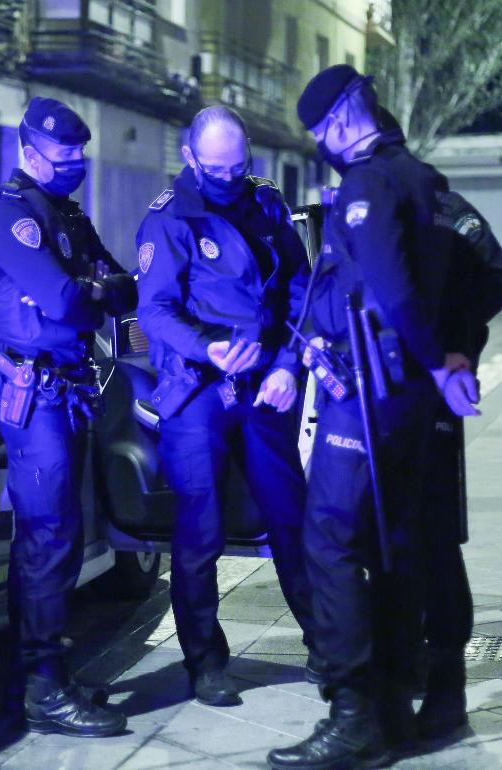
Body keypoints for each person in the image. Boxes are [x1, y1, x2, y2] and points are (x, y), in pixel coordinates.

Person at [267, 65, 469, 770]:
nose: (321, 145)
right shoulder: (421, 179)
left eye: (321, 131)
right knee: (392, 545)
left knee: (328, 541)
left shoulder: (369, 184)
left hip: (368, 391)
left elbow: (392, 286)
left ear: (344, 118)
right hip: (400, 393)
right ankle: (391, 710)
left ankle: (352, 714)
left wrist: (439, 359)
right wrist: (445, 357)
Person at [0, 96, 136, 737]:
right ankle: (44, 689)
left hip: (68, 389)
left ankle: (43, 676)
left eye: (80, 153)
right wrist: (91, 290)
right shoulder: (7, 217)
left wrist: (94, 289)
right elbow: (65, 301)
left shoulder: (66, 215)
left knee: (58, 535)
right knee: (47, 536)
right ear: (30, 152)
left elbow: (124, 287)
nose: (76, 163)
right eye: (65, 154)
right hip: (33, 395)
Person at [135, 105, 316, 707]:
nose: (229, 179)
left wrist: (289, 364)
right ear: (190, 157)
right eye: (217, 169)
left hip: (265, 384)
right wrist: (206, 348)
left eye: (239, 167)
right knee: (199, 528)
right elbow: (154, 310)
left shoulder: (265, 203)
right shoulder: (168, 219)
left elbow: (299, 290)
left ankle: (328, 645)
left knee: (291, 517)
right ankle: (206, 662)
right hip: (198, 390)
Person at [377, 107, 502, 740]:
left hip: (429, 400)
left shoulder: (444, 209)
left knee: (432, 539)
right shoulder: (371, 209)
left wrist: (453, 337)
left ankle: (445, 681)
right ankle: (401, 665)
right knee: (389, 541)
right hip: (378, 403)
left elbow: (498, 280)